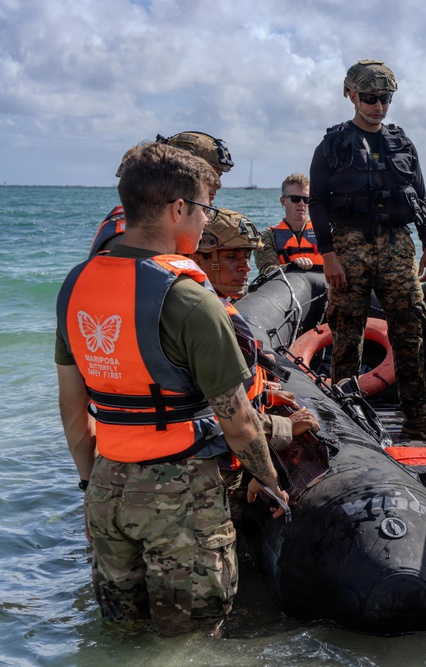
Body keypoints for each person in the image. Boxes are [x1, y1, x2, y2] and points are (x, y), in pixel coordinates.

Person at [55, 143, 289, 635]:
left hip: (105, 488)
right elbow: (240, 422)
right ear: (177, 209)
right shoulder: (189, 300)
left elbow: (73, 412)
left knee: (121, 634)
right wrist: (269, 481)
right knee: (190, 641)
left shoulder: (75, 285)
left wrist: (89, 486)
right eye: (204, 208)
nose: (206, 221)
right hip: (179, 495)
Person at [308, 59, 426, 441]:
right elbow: (317, 202)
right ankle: (344, 422)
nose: (379, 106)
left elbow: (419, 196)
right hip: (349, 245)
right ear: (351, 95)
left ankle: (417, 419)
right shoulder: (332, 146)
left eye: (385, 98)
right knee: (346, 334)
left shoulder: (402, 143)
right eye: (370, 97)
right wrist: (328, 252)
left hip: (397, 246)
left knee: (410, 331)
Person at [188, 207, 320, 460]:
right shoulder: (202, 318)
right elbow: (220, 417)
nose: (245, 267)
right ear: (198, 259)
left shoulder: (218, 306)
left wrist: (262, 394)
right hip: (209, 465)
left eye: (247, 257)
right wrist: (284, 426)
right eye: (231, 257)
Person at [89, 131, 235, 257]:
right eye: (206, 175)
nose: (216, 185)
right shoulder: (131, 233)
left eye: (218, 176)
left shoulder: (183, 225)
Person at [255, 173, 324, 274]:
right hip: (287, 286)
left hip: (323, 286)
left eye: (306, 199)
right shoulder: (267, 236)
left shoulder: (324, 233)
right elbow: (267, 270)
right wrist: (292, 266)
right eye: (295, 199)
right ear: (283, 201)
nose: (301, 203)